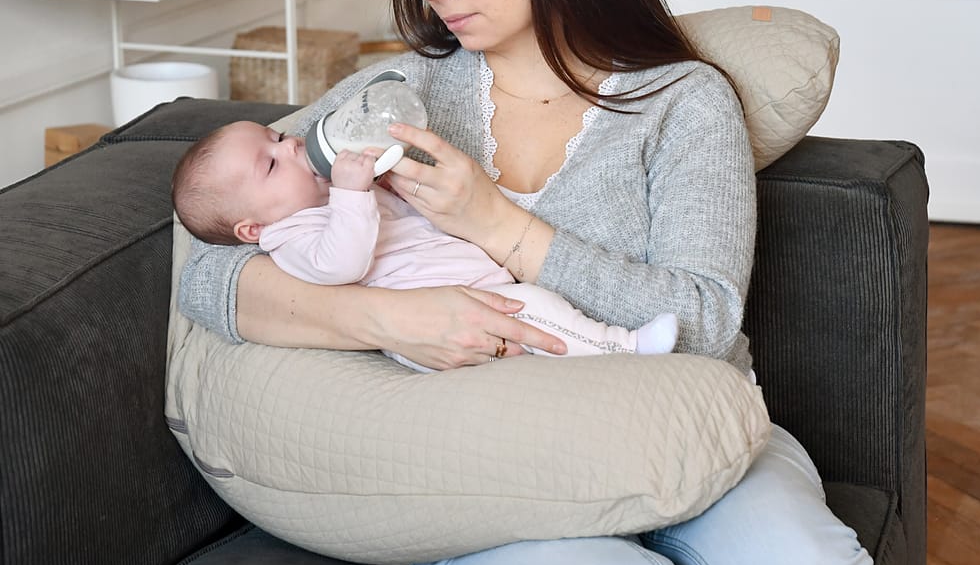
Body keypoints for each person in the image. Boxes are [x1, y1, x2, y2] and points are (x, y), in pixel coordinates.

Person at [179, 0, 877, 565]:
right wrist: (392, 318)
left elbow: (704, 321)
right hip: (498, 451)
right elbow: (210, 265)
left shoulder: (680, 101)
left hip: (686, 424)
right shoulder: (398, 94)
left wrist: (499, 226)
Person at [171, 119, 679, 371]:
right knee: (540, 311)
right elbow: (340, 262)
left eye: (277, 136)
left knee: (540, 318)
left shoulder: (322, 195)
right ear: (251, 229)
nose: (291, 145)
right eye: (272, 163)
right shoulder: (291, 235)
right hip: (459, 317)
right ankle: (625, 349)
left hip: (477, 287)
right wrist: (353, 192)